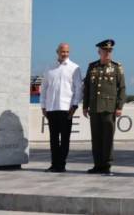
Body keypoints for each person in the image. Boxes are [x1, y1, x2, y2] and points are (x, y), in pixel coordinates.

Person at [82, 39, 126, 176]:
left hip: (109, 108)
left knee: (107, 138)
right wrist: (85, 106)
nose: (107, 53)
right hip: (94, 108)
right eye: (105, 51)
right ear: (99, 52)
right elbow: (87, 88)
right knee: (96, 138)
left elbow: (122, 88)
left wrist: (119, 106)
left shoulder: (117, 67)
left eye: (109, 51)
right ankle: (97, 165)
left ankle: (106, 165)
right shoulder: (92, 67)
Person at [40, 42, 82, 173]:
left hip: (66, 109)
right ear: (57, 52)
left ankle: (61, 164)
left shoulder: (74, 68)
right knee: (53, 138)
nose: (65, 54)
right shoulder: (49, 68)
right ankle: (54, 164)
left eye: (67, 52)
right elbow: (44, 88)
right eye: (62, 51)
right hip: (52, 108)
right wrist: (43, 105)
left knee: (64, 139)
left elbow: (78, 88)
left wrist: (74, 106)